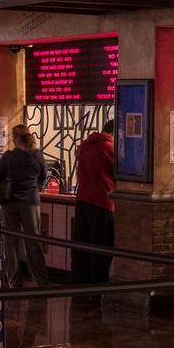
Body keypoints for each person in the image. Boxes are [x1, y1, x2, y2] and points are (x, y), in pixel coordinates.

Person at [0, 124, 49, 288]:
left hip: (10, 203)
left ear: (15, 139)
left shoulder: (8, 156)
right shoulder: (37, 155)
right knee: (33, 242)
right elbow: (43, 176)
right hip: (30, 203)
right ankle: (40, 280)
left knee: (10, 243)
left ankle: (15, 281)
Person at [72, 119, 115, 285]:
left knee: (82, 246)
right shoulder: (110, 148)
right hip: (103, 202)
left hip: (82, 200)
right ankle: (98, 287)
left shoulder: (84, 145)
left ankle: (80, 284)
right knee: (101, 249)